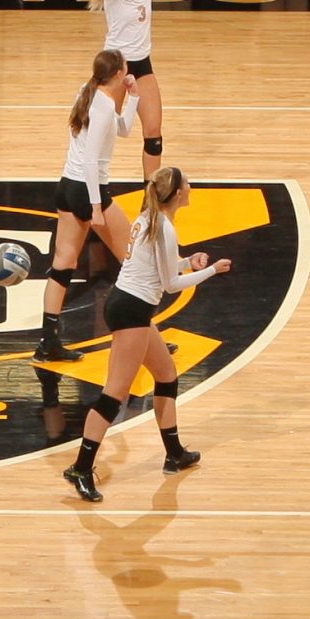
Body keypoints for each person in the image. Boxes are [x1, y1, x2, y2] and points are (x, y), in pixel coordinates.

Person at [60, 165, 231, 503]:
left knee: (166, 376)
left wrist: (189, 262)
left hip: (129, 303)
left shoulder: (147, 217)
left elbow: (160, 267)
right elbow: (169, 285)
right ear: (178, 194)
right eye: (188, 183)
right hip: (132, 310)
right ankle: (81, 467)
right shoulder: (162, 227)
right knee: (114, 395)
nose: (192, 186)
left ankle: (174, 453)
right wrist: (211, 271)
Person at [57, 0, 214, 181]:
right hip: (113, 68)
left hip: (141, 66)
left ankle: (150, 194)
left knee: (153, 133)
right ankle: (86, 181)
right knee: (102, 132)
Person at [36, 49, 140, 364]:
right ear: (120, 73)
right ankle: (144, 336)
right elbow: (93, 160)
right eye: (125, 68)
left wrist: (132, 96)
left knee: (62, 267)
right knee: (133, 261)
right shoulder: (105, 106)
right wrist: (96, 206)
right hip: (86, 190)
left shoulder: (88, 91)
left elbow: (124, 130)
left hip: (66, 186)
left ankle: (47, 343)